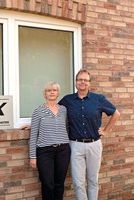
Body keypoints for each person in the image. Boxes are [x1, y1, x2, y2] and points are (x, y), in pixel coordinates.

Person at [58, 69, 120, 200]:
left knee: (93, 180)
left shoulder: (99, 99)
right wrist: (34, 124)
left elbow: (116, 113)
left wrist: (106, 131)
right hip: (75, 146)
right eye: (80, 79)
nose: (82, 82)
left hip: (94, 145)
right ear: (75, 82)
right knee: (78, 182)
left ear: (90, 83)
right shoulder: (67, 100)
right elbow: (53, 112)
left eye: (85, 80)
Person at [27, 82, 71, 200]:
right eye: (49, 90)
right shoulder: (38, 111)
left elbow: (66, 128)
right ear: (45, 94)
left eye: (54, 90)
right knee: (47, 184)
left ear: (58, 93)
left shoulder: (64, 110)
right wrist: (32, 156)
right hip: (45, 152)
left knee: (59, 183)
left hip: (63, 150)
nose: (52, 92)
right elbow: (33, 134)